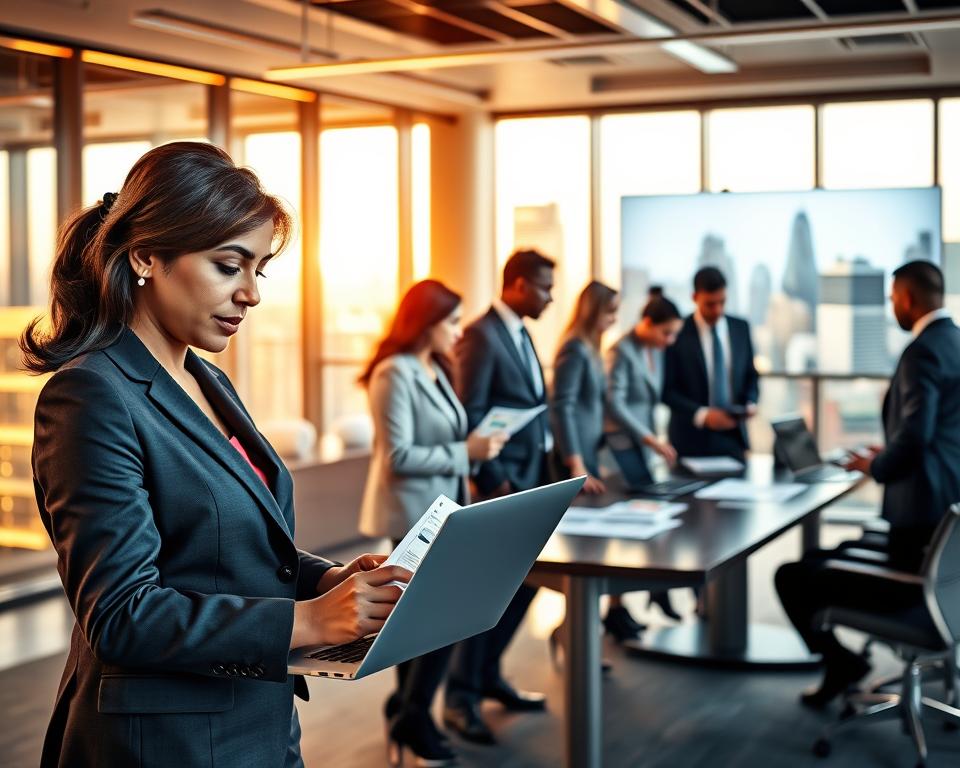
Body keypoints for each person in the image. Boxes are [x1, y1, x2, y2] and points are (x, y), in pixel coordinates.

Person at [22, 142, 409, 767]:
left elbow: (221, 542)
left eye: (259, 270)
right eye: (230, 267)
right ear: (146, 254)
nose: (251, 294)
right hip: (165, 744)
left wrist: (325, 580)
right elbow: (123, 614)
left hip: (258, 718)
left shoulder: (207, 381)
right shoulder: (91, 395)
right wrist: (307, 622)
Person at [775, 260, 960, 709]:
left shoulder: (922, 351)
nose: (891, 305)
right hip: (941, 513)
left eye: (893, 296)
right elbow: (936, 430)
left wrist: (875, 468)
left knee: (795, 576)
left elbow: (915, 437)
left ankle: (842, 664)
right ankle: (844, 664)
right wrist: (882, 455)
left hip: (917, 532)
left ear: (910, 298)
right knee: (824, 558)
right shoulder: (954, 340)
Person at [358, 279, 506, 766]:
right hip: (414, 514)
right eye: (453, 321)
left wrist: (477, 450)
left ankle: (408, 711)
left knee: (427, 622)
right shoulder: (393, 373)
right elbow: (398, 456)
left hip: (444, 510)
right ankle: (412, 714)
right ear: (426, 322)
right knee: (432, 623)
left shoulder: (434, 368)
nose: (460, 332)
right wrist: (468, 452)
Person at [442, 248, 555, 745]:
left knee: (524, 585)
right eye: (545, 287)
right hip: (500, 485)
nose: (552, 297)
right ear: (518, 285)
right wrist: (495, 481)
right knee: (484, 592)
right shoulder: (482, 336)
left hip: (530, 479)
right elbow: (470, 413)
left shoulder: (522, 332)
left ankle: (488, 675)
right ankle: (461, 697)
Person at [605, 293, 685, 626]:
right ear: (647, 323)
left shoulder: (653, 351)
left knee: (652, 516)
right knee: (625, 524)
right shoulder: (620, 352)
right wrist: (649, 438)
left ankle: (651, 591)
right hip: (622, 445)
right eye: (666, 333)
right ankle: (617, 608)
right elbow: (615, 402)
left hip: (644, 447)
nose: (670, 341)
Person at [662, 266, 759, 461]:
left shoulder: (741, 328)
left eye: (722, 302)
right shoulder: (677, 332)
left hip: (733, 437)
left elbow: (751, 374)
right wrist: (703, 415)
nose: (718, 310)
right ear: (695, 297)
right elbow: (667, 390)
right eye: (710, 304)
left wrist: (750, 402)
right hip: (690, 439)